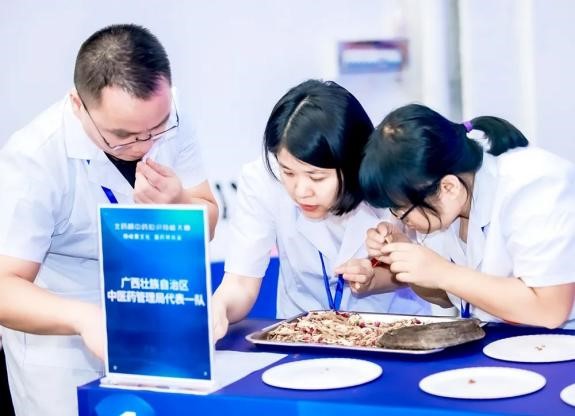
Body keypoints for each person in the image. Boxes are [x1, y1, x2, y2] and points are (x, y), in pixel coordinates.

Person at [0, 24, 218, 416]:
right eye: (123, 135)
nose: (144, 144)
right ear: (77, 104)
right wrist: (85, 319)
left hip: (157, 321)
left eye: (157, 129)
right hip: (64, 344)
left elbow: (209, 217)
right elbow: (5, 286)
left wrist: (180, 203)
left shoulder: (168, 113)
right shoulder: (35, 158)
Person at [212, 80, 429, 341]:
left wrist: (377, 276)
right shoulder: (262, 179)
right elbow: (241, 282)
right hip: (304, 337)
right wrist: (219, 307)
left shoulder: (390, 178)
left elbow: (428, 267)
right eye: (288, 172)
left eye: (316, 177)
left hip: (395, 333)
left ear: (351, 163)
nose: (301, 191)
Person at [359, 103, 575, 328]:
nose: (401, 219)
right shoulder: (447, 200)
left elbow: (549, 310)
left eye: (403, 210)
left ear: (448, 187)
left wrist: (443, 272)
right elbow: (446, 297)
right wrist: (406, 258)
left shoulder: (534, 186)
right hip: (501, 338)